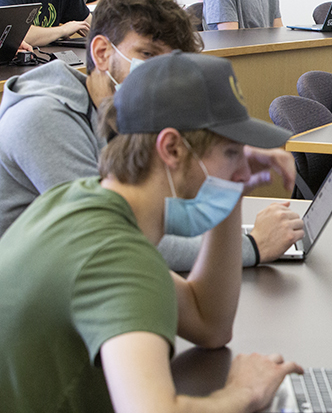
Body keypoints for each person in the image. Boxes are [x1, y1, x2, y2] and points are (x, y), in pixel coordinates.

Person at [0, 51, 303, 412]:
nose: (244, 168)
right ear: (172, 148)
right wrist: (244, 392)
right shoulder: (117, 257)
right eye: (231, 151)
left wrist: (230, 193)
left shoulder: (77, 202)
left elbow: (210, 324)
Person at [0, 0, 302, 270]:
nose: (160, 72)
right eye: (147, 54)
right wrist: (252, 246)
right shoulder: (43, 115)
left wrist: (228, 170)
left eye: (170, 60)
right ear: (102, 52)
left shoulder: (122, 114)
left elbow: (156, 209)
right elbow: (112, 238)